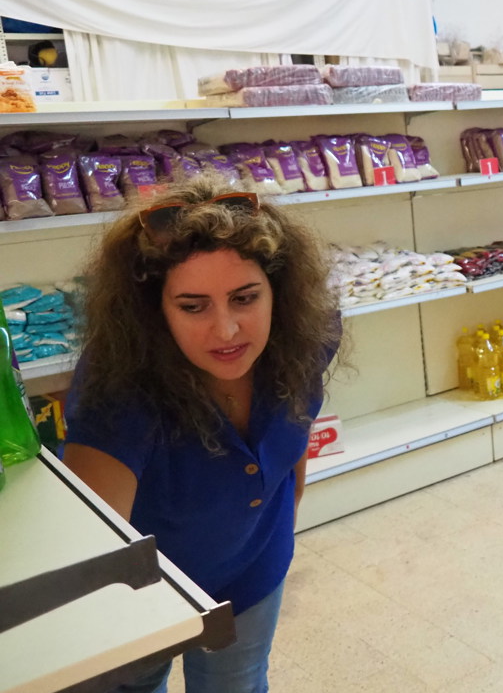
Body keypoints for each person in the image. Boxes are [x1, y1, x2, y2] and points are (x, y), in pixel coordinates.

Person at [63, 177, 342, 693]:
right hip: (143, 593)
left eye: (245, 298)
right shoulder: (119, 390)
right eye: (193, 306)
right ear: (155, 313)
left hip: (252, 572)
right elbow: (94, 558)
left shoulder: (304, 338)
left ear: (278, 291)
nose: (227, 330)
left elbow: (294, 434)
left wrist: (277, 528)